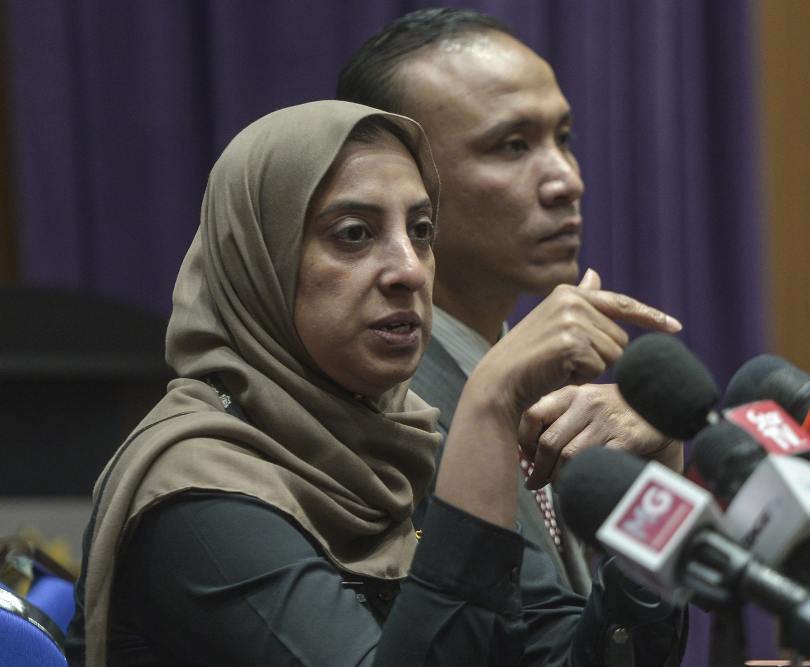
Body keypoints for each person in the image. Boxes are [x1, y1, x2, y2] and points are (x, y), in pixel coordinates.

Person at [64, 101, 686, 665]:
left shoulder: (407, 442)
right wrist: (490, 401)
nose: (409, 270)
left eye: (420, 230)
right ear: (261, 265)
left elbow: (579, 657)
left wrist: (658, 493)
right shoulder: (196, 497)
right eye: (354, 235)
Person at [338, 8, 684, 596]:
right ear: (394, 178)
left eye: (563, 139)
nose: (566, 180)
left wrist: (664, 467)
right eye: (513, 145)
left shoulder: (538, 382)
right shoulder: (375, 412)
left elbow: (617, 645)